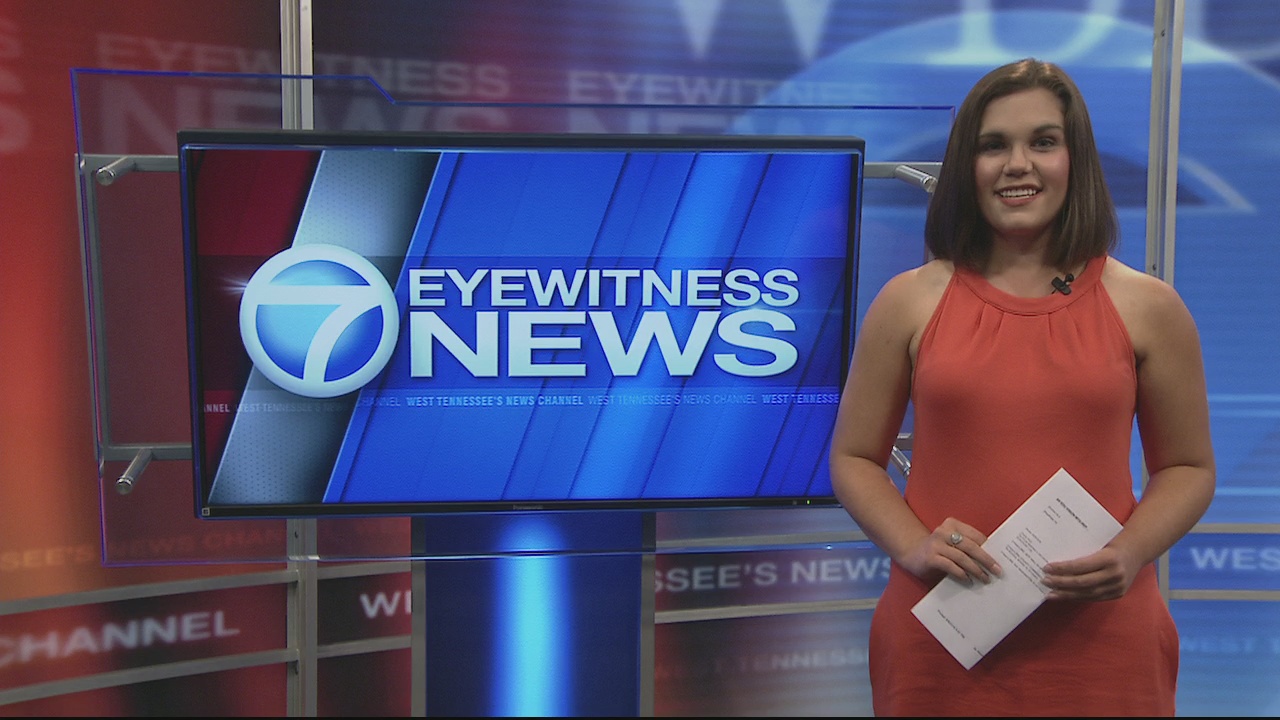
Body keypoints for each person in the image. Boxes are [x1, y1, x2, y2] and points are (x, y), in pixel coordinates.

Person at [828, 57, 1215, 717]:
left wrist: (1130, 553)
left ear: (1075, 159)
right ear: (966, 165)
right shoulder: (908, 301)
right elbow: (854, 457)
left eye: (1043, 141)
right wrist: (913, 546)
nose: (1017, 164)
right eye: (993, 145)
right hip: (940, 641)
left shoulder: (1149, 307)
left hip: (1104, 645)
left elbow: (1188, 467)